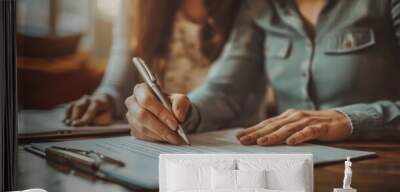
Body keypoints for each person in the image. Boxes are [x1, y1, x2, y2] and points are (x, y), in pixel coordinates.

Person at [127, 0, 400, 145]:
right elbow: (225, 90)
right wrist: (179, 112)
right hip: (298, 172)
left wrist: (349, 120)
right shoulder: (259, 6)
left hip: (383, 163)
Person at [64, 0, 243, 133]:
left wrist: (184, 114)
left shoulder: (250, 6)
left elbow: (228, 93)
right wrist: (105, 99)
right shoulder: (136, 4)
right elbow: (118, 82)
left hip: (229, 144)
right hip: (156, 142)